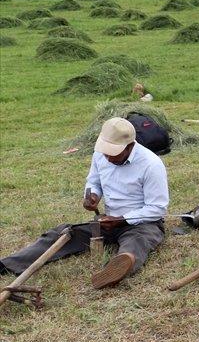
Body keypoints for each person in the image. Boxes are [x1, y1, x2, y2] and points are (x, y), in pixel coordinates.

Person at [0, 117, 169, 289]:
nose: (108, 158)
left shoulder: (151, 164)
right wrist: (93, 196)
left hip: (142, 224)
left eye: (113, 153)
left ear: (130, 145)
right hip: (107, 222)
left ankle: (117, 268)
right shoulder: (101, 155)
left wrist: (122, 219)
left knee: (137, 242)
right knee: (64, 233)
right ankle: (7, 264)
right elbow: (94, 182)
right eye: (106, 152)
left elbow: (157, 209)